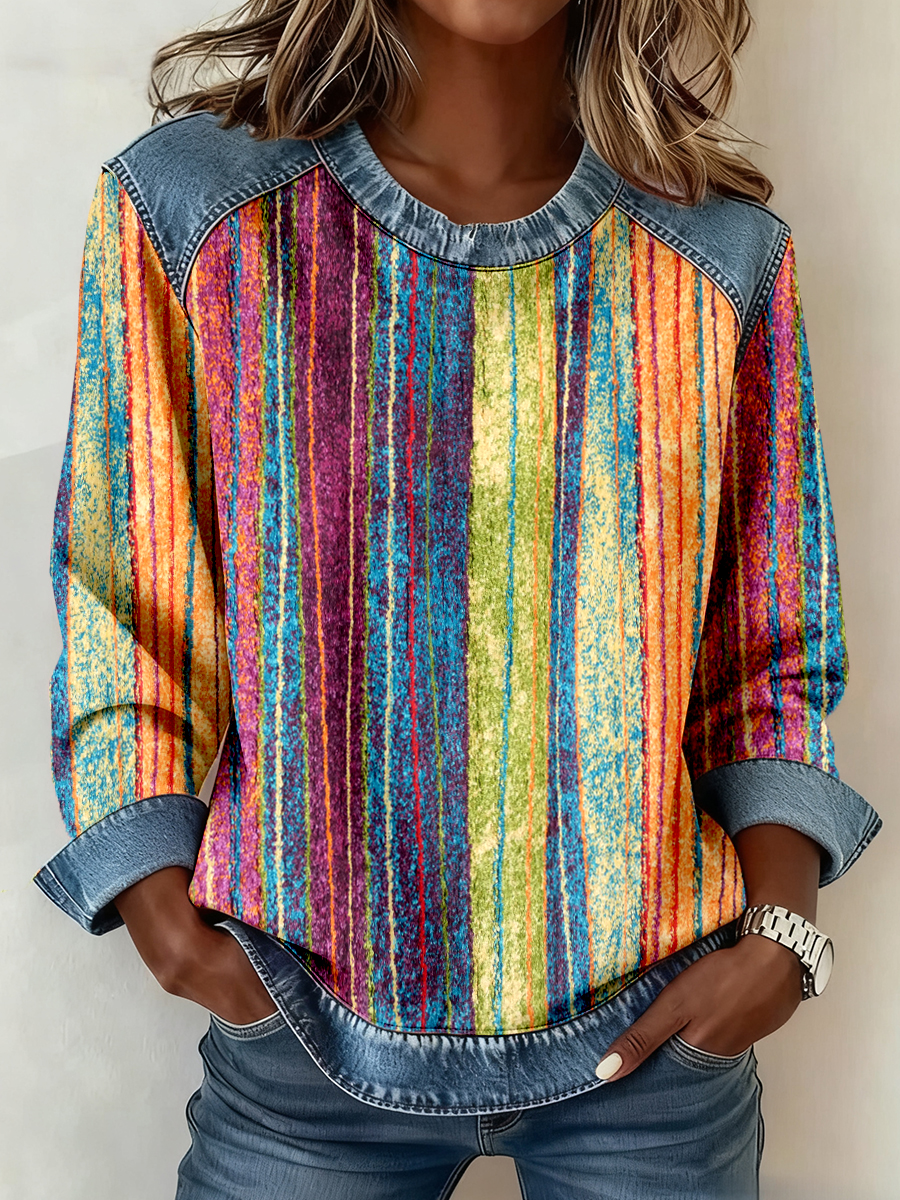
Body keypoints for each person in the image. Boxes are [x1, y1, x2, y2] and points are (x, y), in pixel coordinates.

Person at [35, 0, 881, 1196]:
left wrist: (780, 944)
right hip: (301, 1044)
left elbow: (768, 652)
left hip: (658, 1053)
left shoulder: (718, 255)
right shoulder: (195, 215)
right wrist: (161, 914)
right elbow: (123, 599)